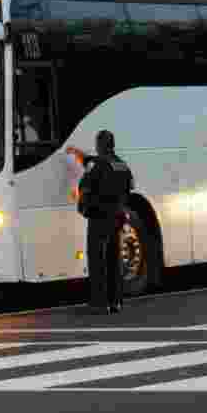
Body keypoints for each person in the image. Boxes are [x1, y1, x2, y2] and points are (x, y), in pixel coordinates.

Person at [70, 130, 134, 314]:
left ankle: (99, 302)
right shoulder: (122, 165)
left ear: (99, 145)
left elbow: (86, 185)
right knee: (114, 258)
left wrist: (83, 206)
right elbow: (129, 188)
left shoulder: (97, 165)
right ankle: (116, 302)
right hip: (118, 217)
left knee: (97, 259)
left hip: (100, 217)